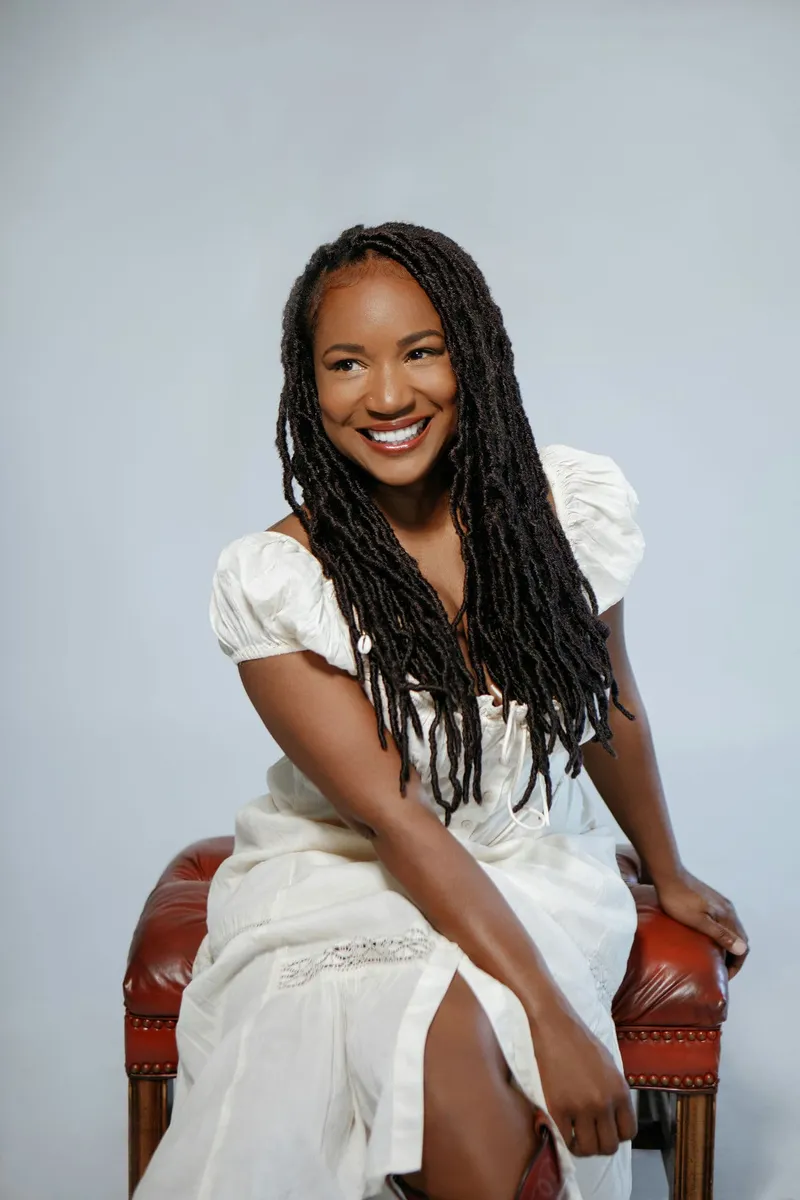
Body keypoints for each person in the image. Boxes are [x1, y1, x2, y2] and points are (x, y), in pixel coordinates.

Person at [134, 222, 749, 1200]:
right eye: (347, 364)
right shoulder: (277, 582)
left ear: (474, 356)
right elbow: (397, 820)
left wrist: (665, 871)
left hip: (527, 860)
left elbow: (605, 699)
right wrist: (547, 1015)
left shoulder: (558, 512)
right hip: (348, 873)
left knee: (462, 1052)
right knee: (430, 1060)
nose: (386, 396)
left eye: (420, 351)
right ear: (307, 386)